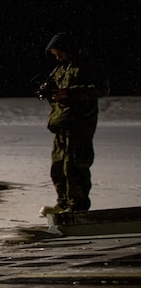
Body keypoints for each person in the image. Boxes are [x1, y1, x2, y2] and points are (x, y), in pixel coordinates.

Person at [39, 32, 109, 214]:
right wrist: (49, 92)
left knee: (74, 166)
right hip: (61, 122)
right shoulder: (60, 69)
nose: (57, 57)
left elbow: (101, 89)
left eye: (59, 53)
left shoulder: (87, 65)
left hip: (80, 124)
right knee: (58, 166)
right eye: (54, 54)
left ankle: (77, 208)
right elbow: (58, 96)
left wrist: (71, 92)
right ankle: (63, 204)